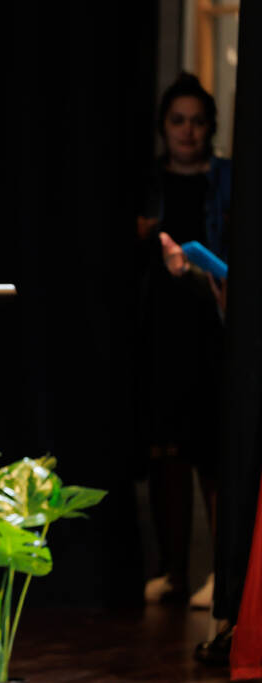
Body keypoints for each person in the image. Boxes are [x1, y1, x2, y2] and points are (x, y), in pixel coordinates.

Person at [136, 73, 230, 611]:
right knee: (165, 454)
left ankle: (222, 571)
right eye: (178, 120)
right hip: (161, 335)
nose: (188, 131)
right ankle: (172, 571)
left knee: (213, 456)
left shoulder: (228, 180)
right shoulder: (149, 184)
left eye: (198, 121)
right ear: (164, 127)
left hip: (214, 335)